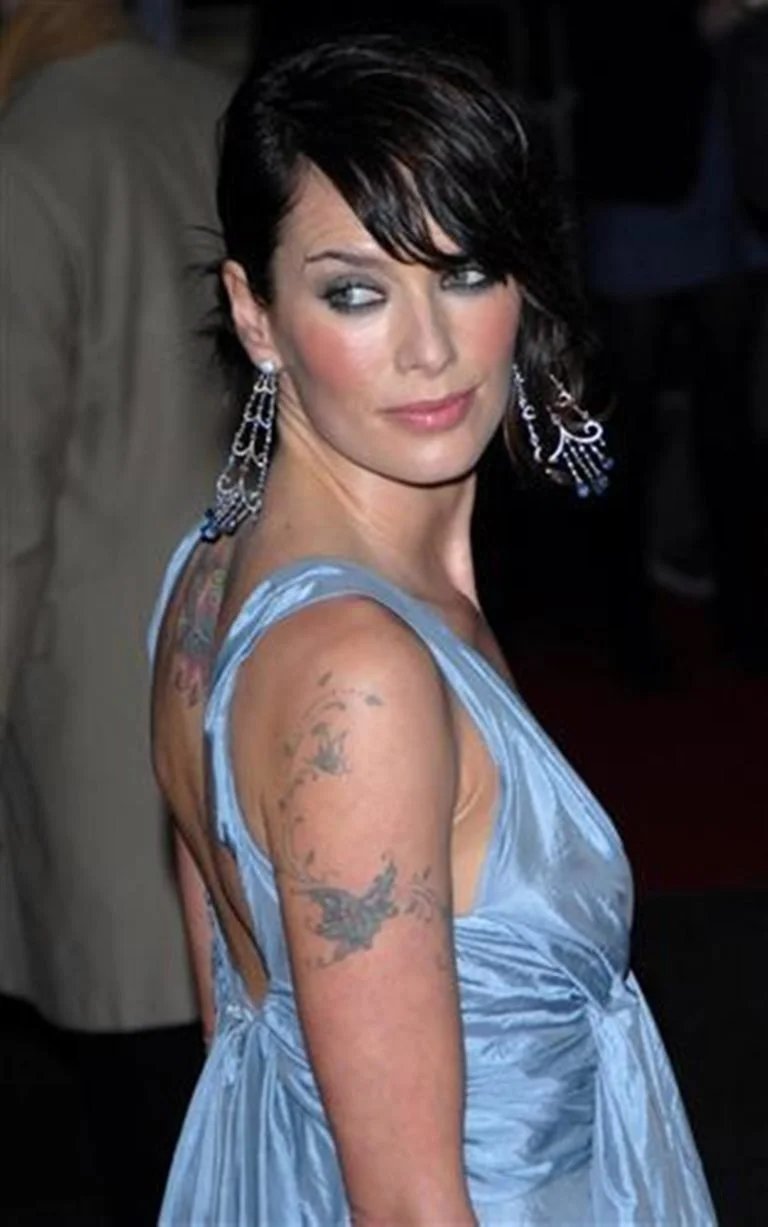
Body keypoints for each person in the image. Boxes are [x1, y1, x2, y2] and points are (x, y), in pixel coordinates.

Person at [149, 36, 717, 1224]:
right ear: (255, 313)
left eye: (465, 271)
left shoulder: (207, 572)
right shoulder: (360, 675)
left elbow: (236, 1028)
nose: (429, 348)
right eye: (355, 291)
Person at [0, 1, 232, 1221]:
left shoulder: (25, 154)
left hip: (100, 692)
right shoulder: (219, 106)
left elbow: (6, 501)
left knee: (145, 1103)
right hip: (259, 630)